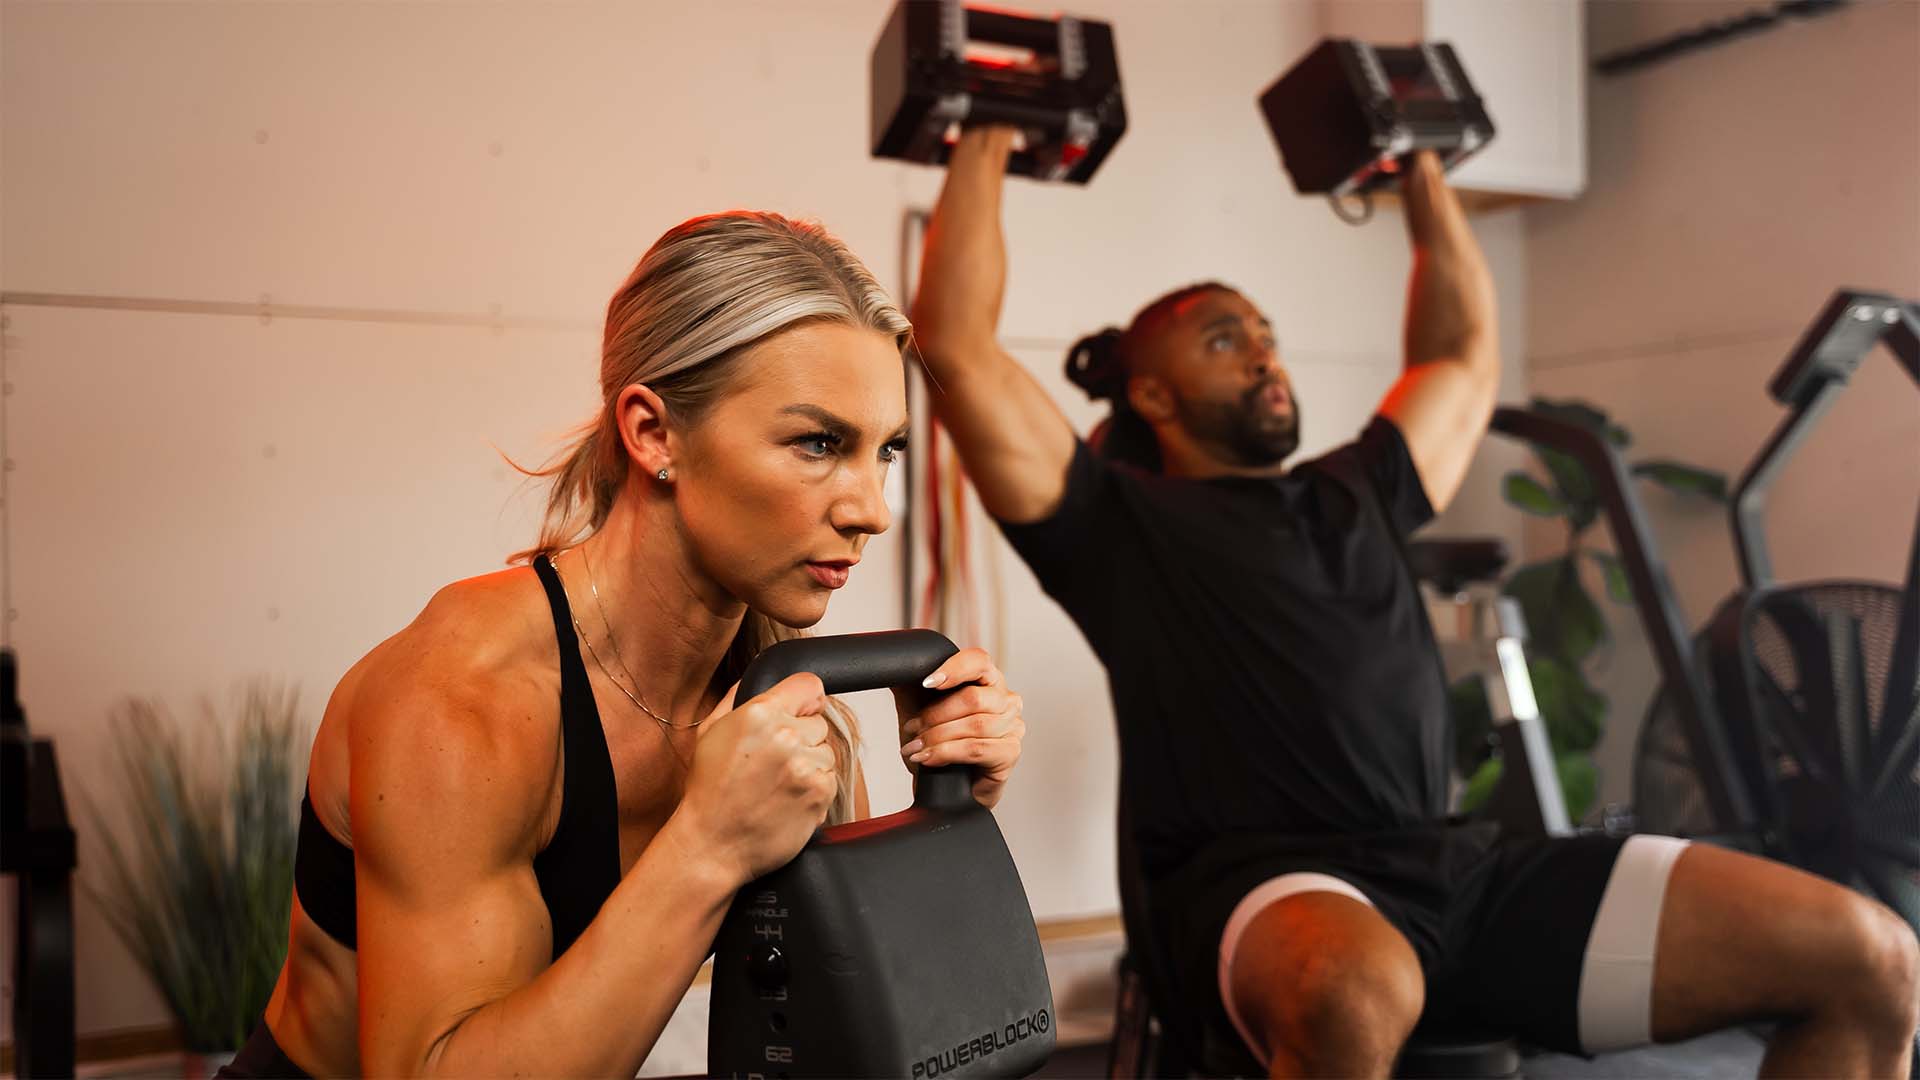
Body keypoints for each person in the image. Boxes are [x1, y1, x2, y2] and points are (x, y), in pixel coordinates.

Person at [910, 126, 1919, 1078]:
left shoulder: (1362, 488)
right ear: (1153, 397)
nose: (1266, 353)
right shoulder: (1112, 525)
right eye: (1225, 340)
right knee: (1352, 990)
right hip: (1265, 884)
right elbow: (958, 342)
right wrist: (990, 129)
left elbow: (1459, 355)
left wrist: (1423, 167)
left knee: (1870, 956)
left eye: (1266, 333)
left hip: (1457, 867)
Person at [222, 211, 1029, 1078]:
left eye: (886, 453)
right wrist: (709, 843)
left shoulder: (777, 698)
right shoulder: (463, 701)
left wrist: (938, 814)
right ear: (653, 434)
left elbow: (854, 1010)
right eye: (817, 443)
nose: (870, 508)